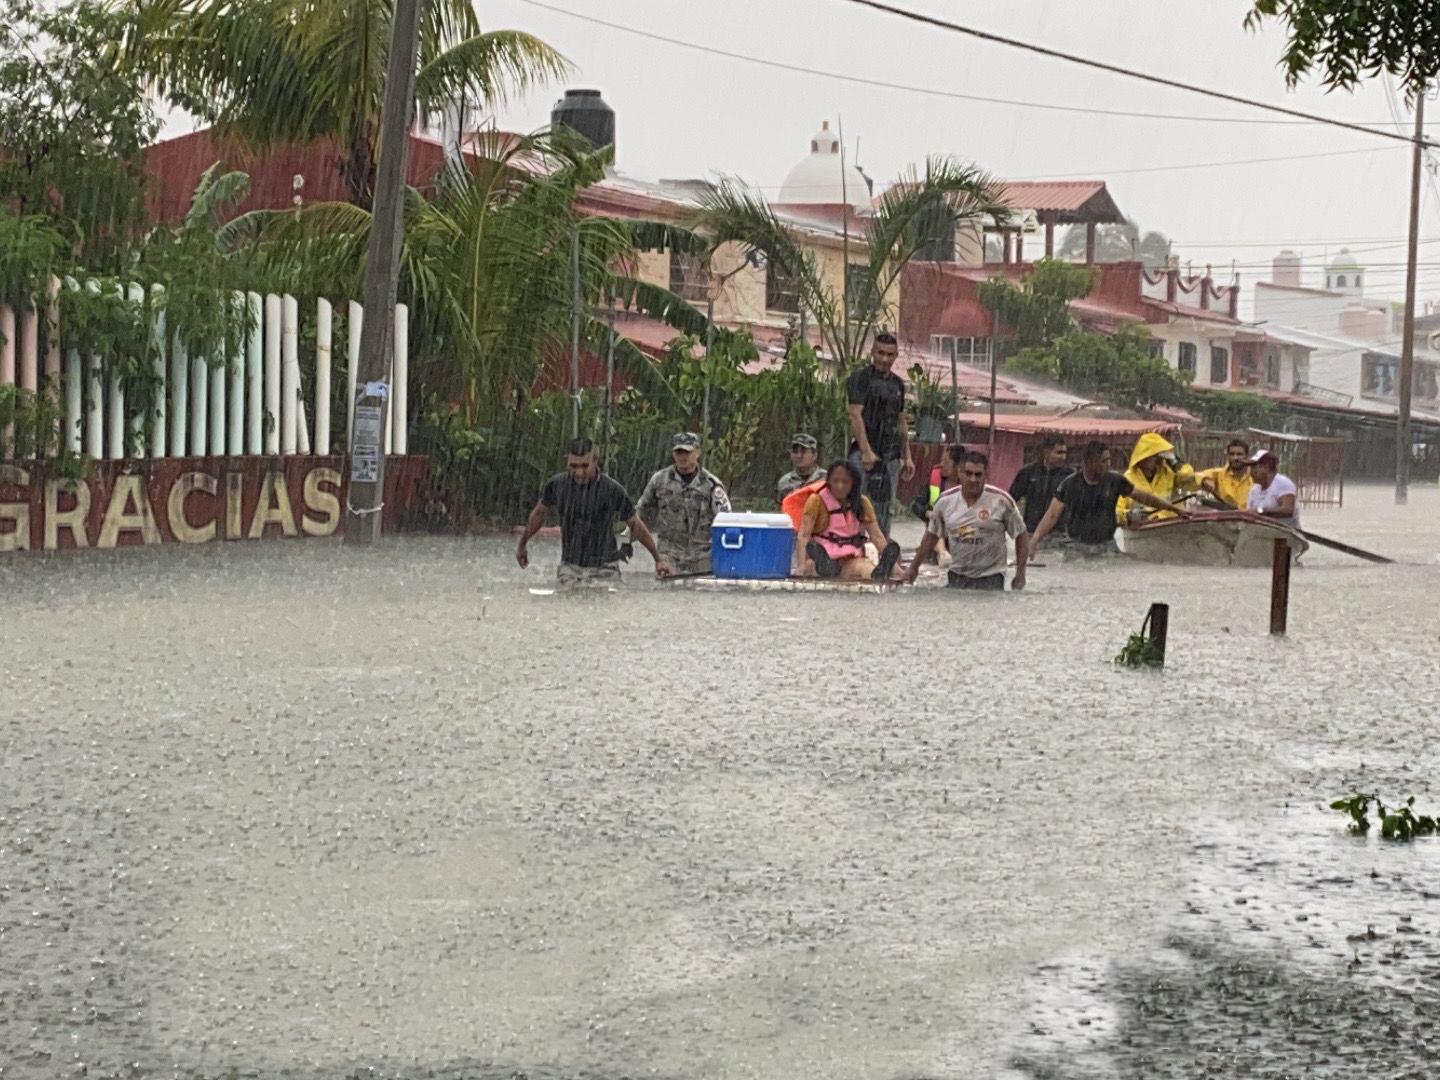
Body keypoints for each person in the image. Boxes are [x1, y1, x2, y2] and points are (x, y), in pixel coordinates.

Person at [516, 438, 670, 583]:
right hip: (570, 566)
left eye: (584, 466)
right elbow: (538, 514)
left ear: (595, 461)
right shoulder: (557, 485)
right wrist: (522, 545)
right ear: (567, 461)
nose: (579, 472)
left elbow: (635, 525)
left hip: (606, 566)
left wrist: (658, 559)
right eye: (573, 466)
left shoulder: (611, 489)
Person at [1030, 440, 1186, 554]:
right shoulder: (1070, 484)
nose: (1109, 464)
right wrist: (1034, 541)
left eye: (1109, 460)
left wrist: (1174, 509)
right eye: (1104, 461)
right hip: (1076, 547)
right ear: (1090, 462)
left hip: (1107, 546)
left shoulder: (1115, 481)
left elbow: (1144, 497)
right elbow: (1051, 516)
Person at [904, 451, 1028, 591]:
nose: (973, 479)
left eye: (978, 474)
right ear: (959, 474)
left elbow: (1021, 534)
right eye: (968, 474)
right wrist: (913, 568)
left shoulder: (1001, 501)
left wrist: (1020, 573)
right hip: (957, 575)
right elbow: (931, 537)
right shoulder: (945, 501)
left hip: (991, 577)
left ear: (986, 475)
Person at [846, 331, 915, 535]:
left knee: (884, 509)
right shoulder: (860, 379)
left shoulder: (898, 384)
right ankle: (851, 551)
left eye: (889, 354)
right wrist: (866, 451)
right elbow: (855, 415)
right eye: (881, 353)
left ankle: (882, 555)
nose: (884, 359)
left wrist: (907, 456)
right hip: (863, 454)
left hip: (890, 456)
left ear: (895, 356)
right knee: (855, 505)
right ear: (873, 353)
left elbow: (901, 420)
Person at [635, 432, 731, 575]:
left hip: (702, 558)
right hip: (669, 556)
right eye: (679, 452)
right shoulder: (659, 480)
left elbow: (726, 520)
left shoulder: (712, 484)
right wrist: (629, 539)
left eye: (687, 452)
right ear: (673, 454)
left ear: (697, 452)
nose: (683, 456)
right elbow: (640, 511)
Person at [796, 460, 903, 581]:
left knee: (865, 568)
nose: (839, 486)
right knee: (812, 566)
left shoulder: (862, 503)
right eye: (835, 481)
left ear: (853, 484)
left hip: (849, 560)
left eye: (845, 482)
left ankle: (881, 573)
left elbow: (877, 536)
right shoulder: (816, 501)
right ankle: (826, 566)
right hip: (821, 558)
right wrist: (801, 566)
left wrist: (896, 569)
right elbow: (804, 535)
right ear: (829, 482)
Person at [1115, 432, 1197, 526]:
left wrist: (1176, 462)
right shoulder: (1128, 479)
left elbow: (1190, 481)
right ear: (1143, 458)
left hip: (1171, 529)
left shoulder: (1168, 473)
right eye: (1155, 455)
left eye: (1161, 455)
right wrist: (1129, 516)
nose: (1160, 459)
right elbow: (1115, 512)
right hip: (1141, 534)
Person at [1007, 433, 1073, 535]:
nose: (1063, 457)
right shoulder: (1028, 473)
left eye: (1065, 453)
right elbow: (1010, 500)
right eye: (1059, 453)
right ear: (1046, 452)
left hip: (1059, 535)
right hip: (1031, 532)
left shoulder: (1069, 476)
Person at [1244, 448, 1300, 525]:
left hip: (1284, 533)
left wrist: (1260, 511)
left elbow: (1287, 510)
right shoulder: (1254, 490)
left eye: (1254, 467)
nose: (1250, 472)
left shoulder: (1283, 483)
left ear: (1266, 467)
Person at [1198, 438, 1255, 509]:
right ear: (1228, 456)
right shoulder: (1219, 475)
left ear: (1247, 456)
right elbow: (1197, 476)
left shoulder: (1255, 477)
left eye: (1239, 454)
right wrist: (1205, 479)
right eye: (1232, 454)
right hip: (1226, 517)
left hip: (1251, 518)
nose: (1235, 458)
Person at [776, 433, 826, 503]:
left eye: (803, 451)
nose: (799, 456)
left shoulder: (826, 480)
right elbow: (782, 510)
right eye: (795, 452)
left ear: (814, 455)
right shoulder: (785, 482)